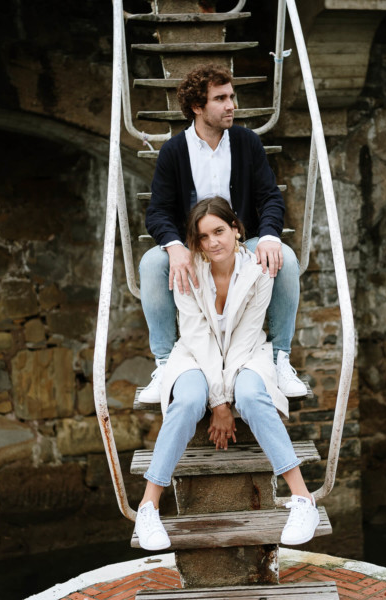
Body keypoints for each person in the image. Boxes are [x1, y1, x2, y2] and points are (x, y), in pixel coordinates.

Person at [133, 198, 320, 551]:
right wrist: (219, 403)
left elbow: (246, 336)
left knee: (251, 395)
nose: (213, 242)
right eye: (203, 237)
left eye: (219, 231)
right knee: (188, 399)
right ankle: (148, 506)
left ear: (236, 229)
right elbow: (196, 335)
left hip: (246, 352)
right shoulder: (187, 270)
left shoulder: (259, 271)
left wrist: (226, 397)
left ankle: (303, 499)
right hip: (195, 353)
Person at [137, 63, 307, 403]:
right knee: (151, 264)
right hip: (193, 245)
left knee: (285, 259)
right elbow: (157, 211)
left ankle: (280, 360)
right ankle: (165, 364)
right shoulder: (174, 151)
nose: (232, 105)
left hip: (241, 242)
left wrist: (269, 236)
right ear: (197, 107)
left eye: (231, 96)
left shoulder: (247, 142)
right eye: (221, 99)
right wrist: (174, 246)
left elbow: (270, 197)